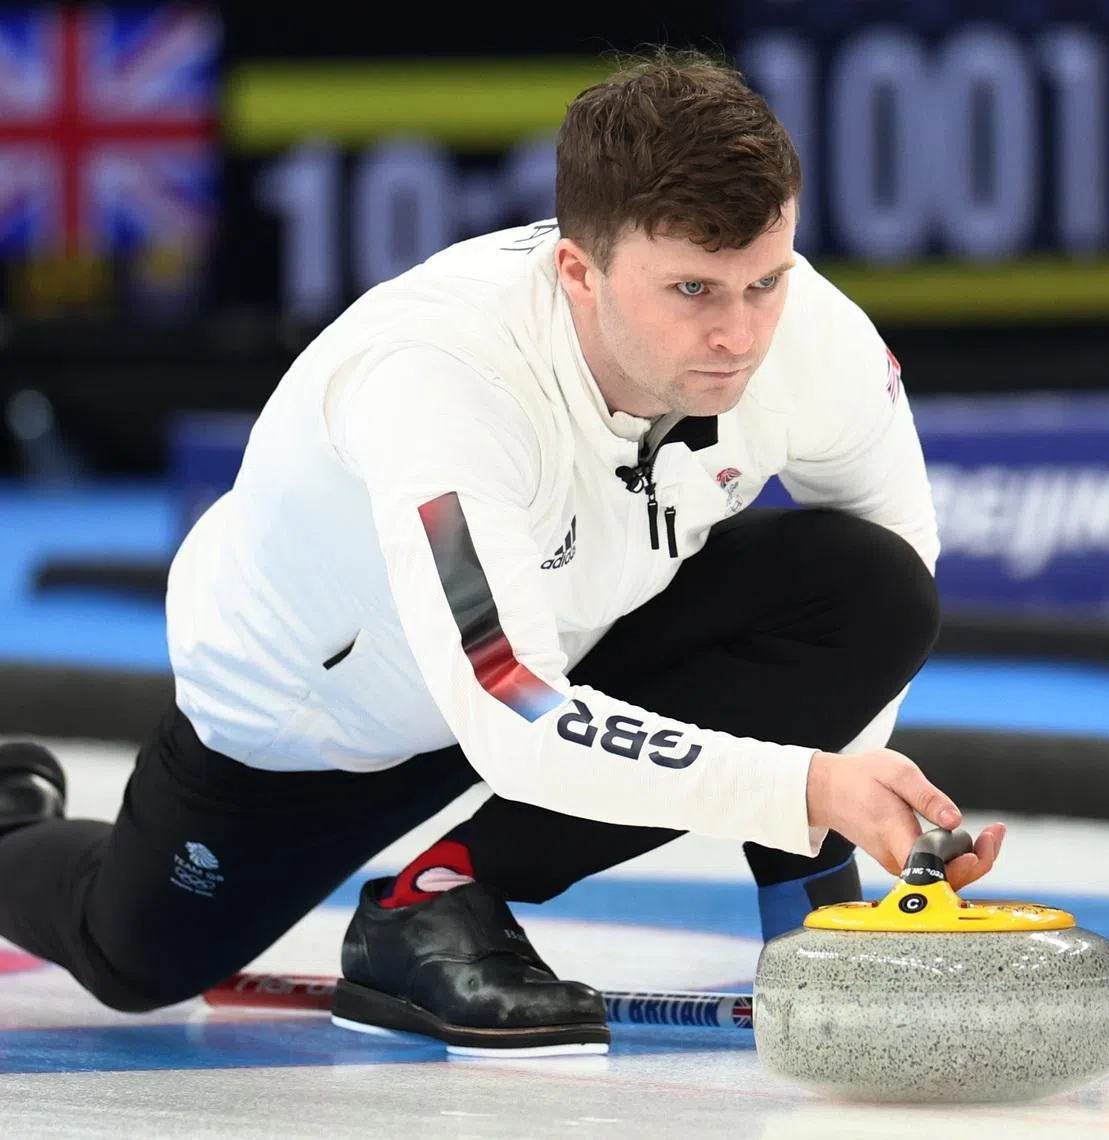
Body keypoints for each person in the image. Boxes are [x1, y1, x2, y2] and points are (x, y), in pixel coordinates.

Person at [0, 47, 1005, 1055]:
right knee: (138, 958)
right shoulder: (441, 386)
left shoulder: (811, 335)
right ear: (579, 270)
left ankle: (437, 896)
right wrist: (803, 789)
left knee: (873, 589)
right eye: (694, 290)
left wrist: (821, 887)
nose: (739, 336)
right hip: (321, 722)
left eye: (765, 281)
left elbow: (894, 565)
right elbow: (513, 708)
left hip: (572, 635)